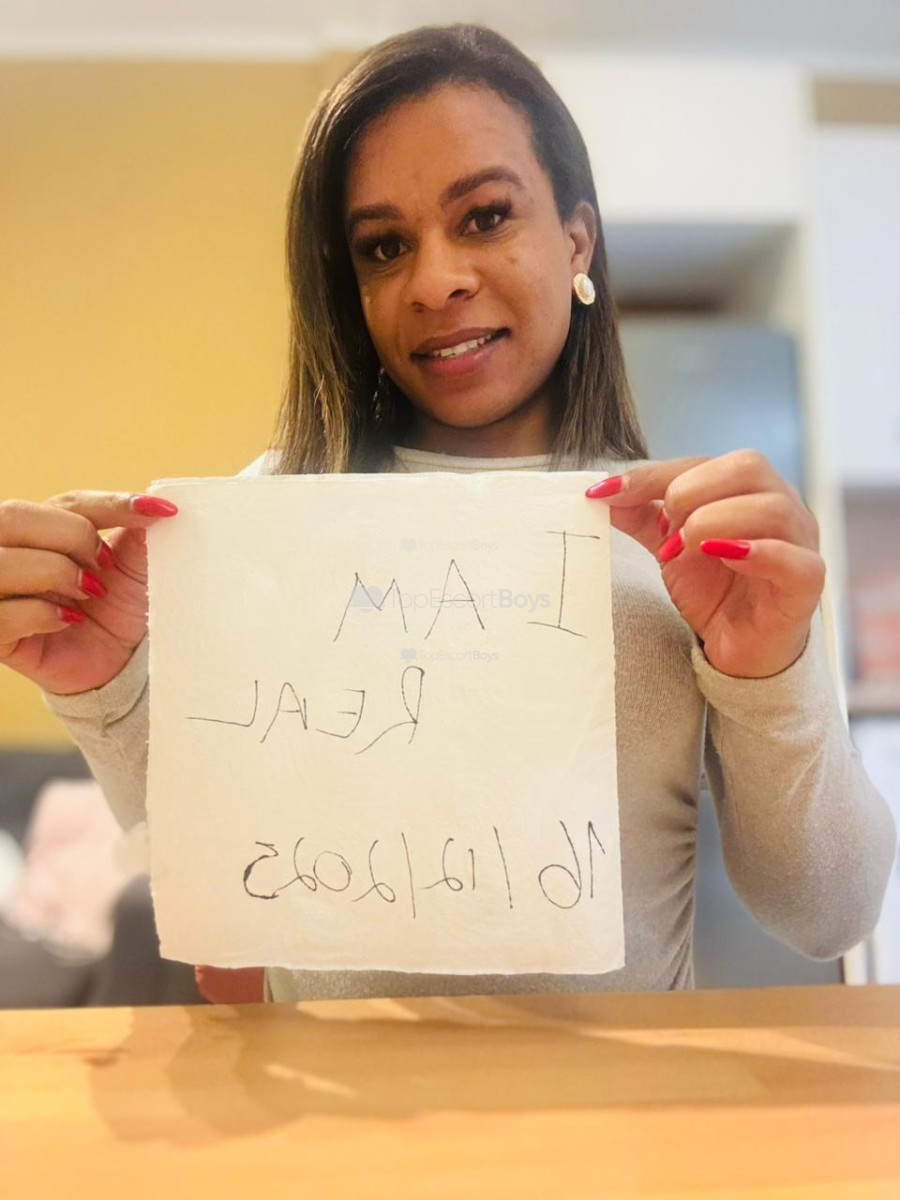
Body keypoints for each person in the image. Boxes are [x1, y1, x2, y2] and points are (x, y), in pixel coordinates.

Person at [1, 24, 895, 1004]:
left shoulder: (688, 547)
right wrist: (106, 691)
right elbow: (220, 899)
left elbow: (829, 915)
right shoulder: (265, 529)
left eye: (485, 216)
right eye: (385, 247)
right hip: (345, 1104)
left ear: (577, 239)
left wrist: (772, 671)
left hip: (629, 1102)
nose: (435, 282)